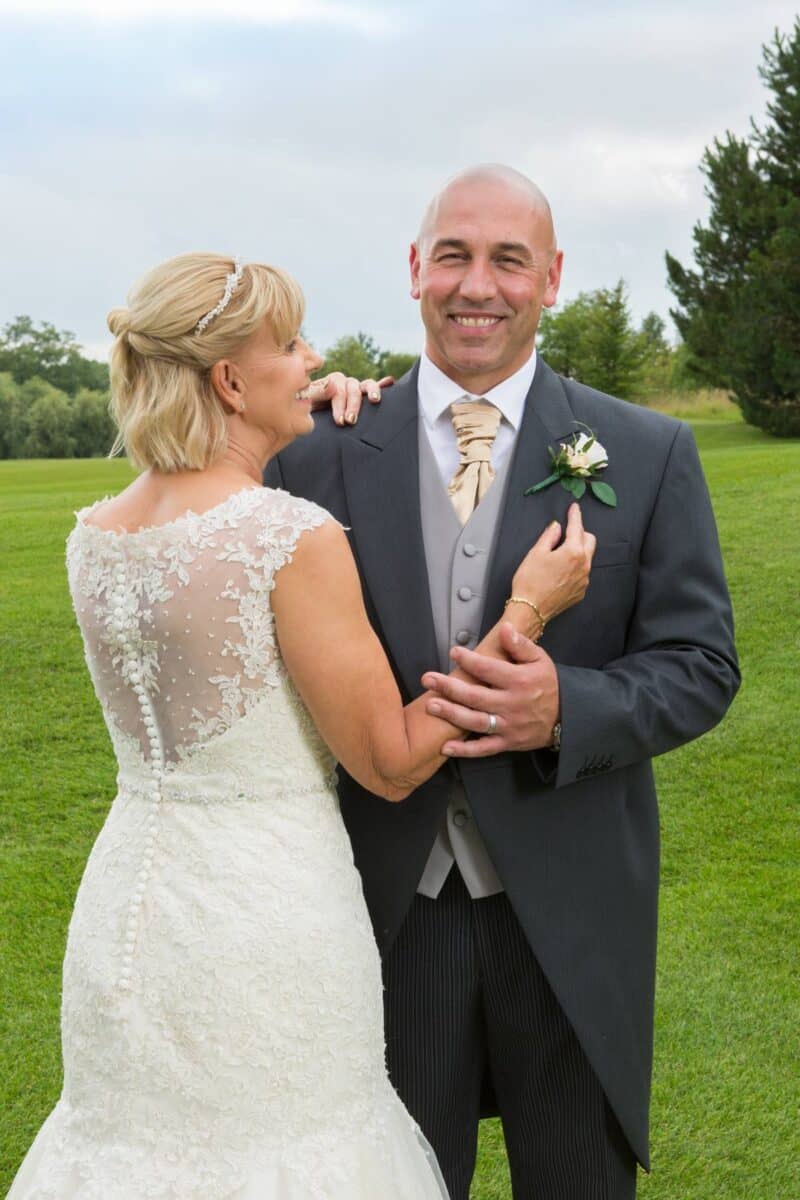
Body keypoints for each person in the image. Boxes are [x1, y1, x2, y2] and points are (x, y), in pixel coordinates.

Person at [7, 251, 596, 1199]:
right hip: (267, 917)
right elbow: (394, 762)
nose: (314, 359)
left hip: (131, 907)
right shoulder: (288, 537)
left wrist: (305, 406)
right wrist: (528, 608)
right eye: (289, 344)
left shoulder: (96, 534)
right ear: (230, 380)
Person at [264, 165, 741, 1199]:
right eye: (452, 255)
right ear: (413, 270)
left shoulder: (647, 451)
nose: (475, 285)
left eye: (506, 260)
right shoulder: (314, 452)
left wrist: (567, 706)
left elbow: (700, 665)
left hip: (569, 913)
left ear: (551, 279)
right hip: (388, 910)